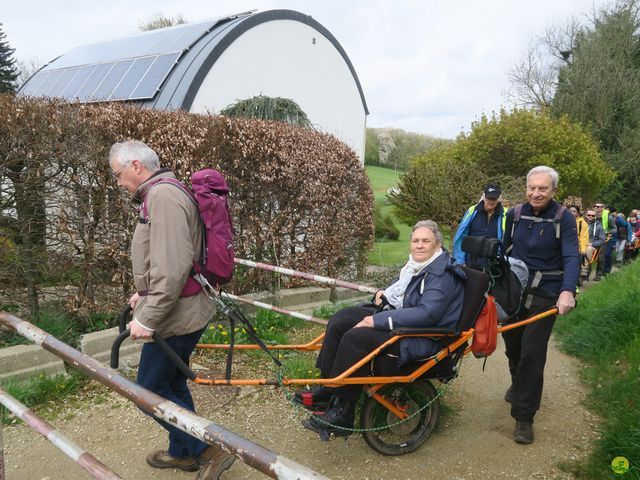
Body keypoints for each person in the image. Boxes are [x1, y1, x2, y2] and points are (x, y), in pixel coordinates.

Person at [109, 140, 234, 480]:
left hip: (178, 314)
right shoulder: (164, 192)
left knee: (148, 391)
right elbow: (167, 260)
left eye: (119, 175)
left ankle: (206, 450)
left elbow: (174, 265)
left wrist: (148, 317)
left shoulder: (162, 196)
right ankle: (183, 453)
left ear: (137, 166)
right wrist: (143, 295)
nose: (120, 183)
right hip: (182, 307)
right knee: (172, 383)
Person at [298, 220, 465, 436]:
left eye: (426, 241)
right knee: (340, 321)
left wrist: (377, 321)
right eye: (415, 240)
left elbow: (428, 314)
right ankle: (329, 388)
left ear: (437, 245)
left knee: (355, 338)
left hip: (423, 336)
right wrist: (383, 294)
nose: (419, 245)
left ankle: (343, 411)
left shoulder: (441, 274)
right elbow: (403, 293)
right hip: (404, 319)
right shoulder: (416, 267)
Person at [502, 166, 579, 445]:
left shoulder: (564, 218)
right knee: (512, 346)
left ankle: (524, 416)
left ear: (553, 191)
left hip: (547, 292)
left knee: (532, 353)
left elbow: (571, 256)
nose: (536, 193)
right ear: (526, 188)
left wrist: (567, 291)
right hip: (514, 290)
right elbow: (504, 250)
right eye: (532, 187)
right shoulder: (515, 214)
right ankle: (519, 383)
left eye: (543, 188)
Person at [452, 183, 506, 269]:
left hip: (493, 266)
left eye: (494, 199)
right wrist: (460, 261)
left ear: (500, 198)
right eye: (489, 198)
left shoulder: (505, 214)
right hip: (469, 264)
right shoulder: (472, 211)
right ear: (483, 196)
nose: (491, 201)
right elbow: (461, 237)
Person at [581, 208, 606, 282]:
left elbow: (602, 240)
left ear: (595, 216)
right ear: (586, 215)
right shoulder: (581, 224)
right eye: (589, 215)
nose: (590, 216)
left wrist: (592, 244)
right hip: (581, 244)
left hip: (591, 246)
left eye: (592, 215)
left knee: (588, 249)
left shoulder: (599, 226)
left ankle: (584, 272)